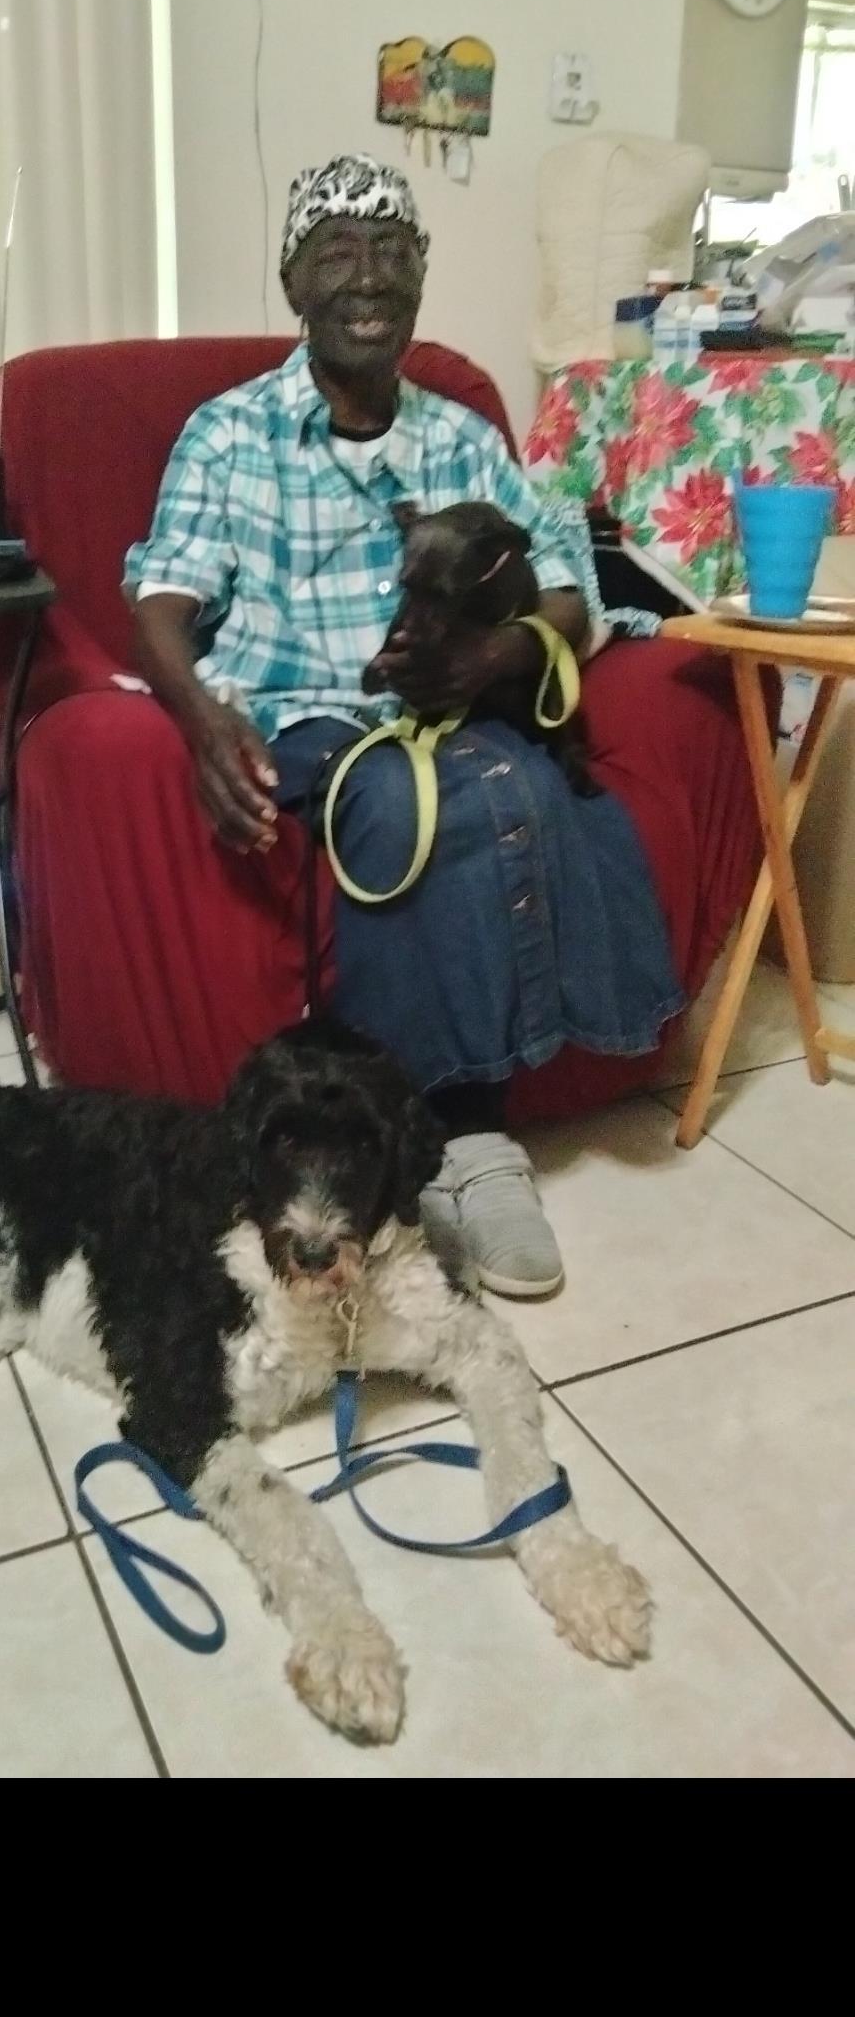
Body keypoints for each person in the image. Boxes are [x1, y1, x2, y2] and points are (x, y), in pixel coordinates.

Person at [127, 153, 684, 1299]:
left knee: (540, 782)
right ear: (293, 280)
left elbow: (565, 572)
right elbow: (161, 598)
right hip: (303, 715)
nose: (366, 278)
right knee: (405, 801)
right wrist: (193, 719)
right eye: (336, 253)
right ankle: (445, 1144)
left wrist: (509, 648)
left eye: (391, 253)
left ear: (422, 273)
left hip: (445, 709)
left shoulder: (463, 435)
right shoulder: (228, 435)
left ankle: (482, 1135)